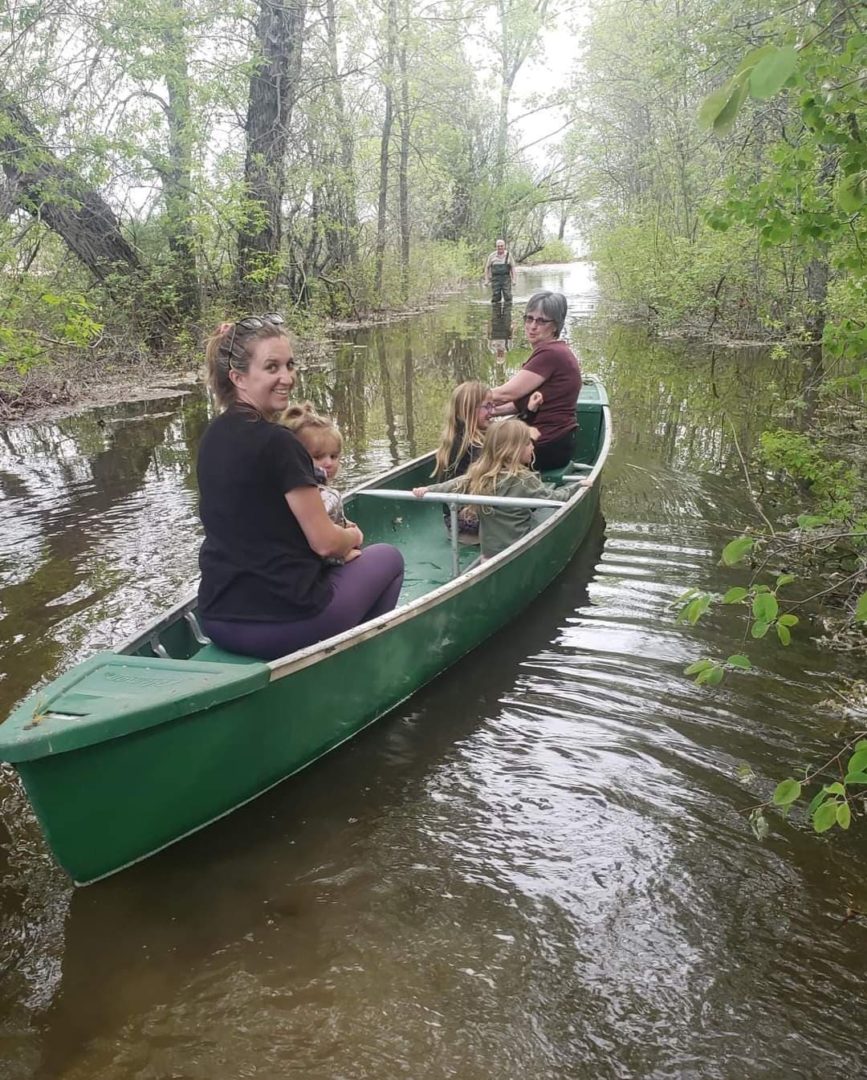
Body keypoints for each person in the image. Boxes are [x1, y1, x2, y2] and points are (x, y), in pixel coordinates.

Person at [196, 314, 404, 660]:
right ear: (238, 377)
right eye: (272, 367)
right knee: (388, 558)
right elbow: (325, 544)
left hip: (217, 618)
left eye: (290, 365)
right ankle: (357, 665)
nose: (287, 378)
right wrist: (352, 537)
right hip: (285, 623)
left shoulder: (211, 437)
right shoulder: (279, 443)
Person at [413, 419, 589, 561]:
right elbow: (554, 498)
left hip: (488, 555)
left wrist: (427, 489)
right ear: (514, 450)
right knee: (542, 516)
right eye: (528, 443)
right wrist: (578, 486)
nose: (533, 447)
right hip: (521, 550)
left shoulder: (480, 475)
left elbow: (452, 485)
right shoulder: (525, 479)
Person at [489, 290, 582, 471]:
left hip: (546, 446)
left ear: (555, 326)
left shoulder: (550, 354)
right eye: (529, 318)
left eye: (541, 321)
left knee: (478, 450)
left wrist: (465, 399)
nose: (532, 326)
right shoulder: (554, 351)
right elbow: (519, 402)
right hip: (557, 443)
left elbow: (506, 393)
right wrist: (491, 412)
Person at [281, 401, 358, 564]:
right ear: (296, 457)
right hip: (318, 571)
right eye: (318, 457)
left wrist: (345, 524)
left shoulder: (283, 490)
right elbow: (319, 547)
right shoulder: (326, 497)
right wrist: (345, 554)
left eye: (334, 456)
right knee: (388, 557)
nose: (328, 463)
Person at [430, 381, 495, 539]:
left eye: (493, 406)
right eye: (487, 406)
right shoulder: (471, 445)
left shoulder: (456, 437)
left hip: (453, 519)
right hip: (469, 520)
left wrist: (528, 411)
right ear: (468, 411)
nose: (492, 412)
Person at [483, 239, 516, 307]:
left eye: (501, 246)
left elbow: (513, 268)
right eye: (498, 246)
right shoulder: (492, 256)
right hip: (495, 279)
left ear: (504, 246)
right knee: (496, 297)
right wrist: (487, 279)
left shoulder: (509, 255)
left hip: (506, 279)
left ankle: (507, 314)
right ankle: (496, 315)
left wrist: (514, 279)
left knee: (508, 296)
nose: (500, 247)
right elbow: (487, 267)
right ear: (496, 247)